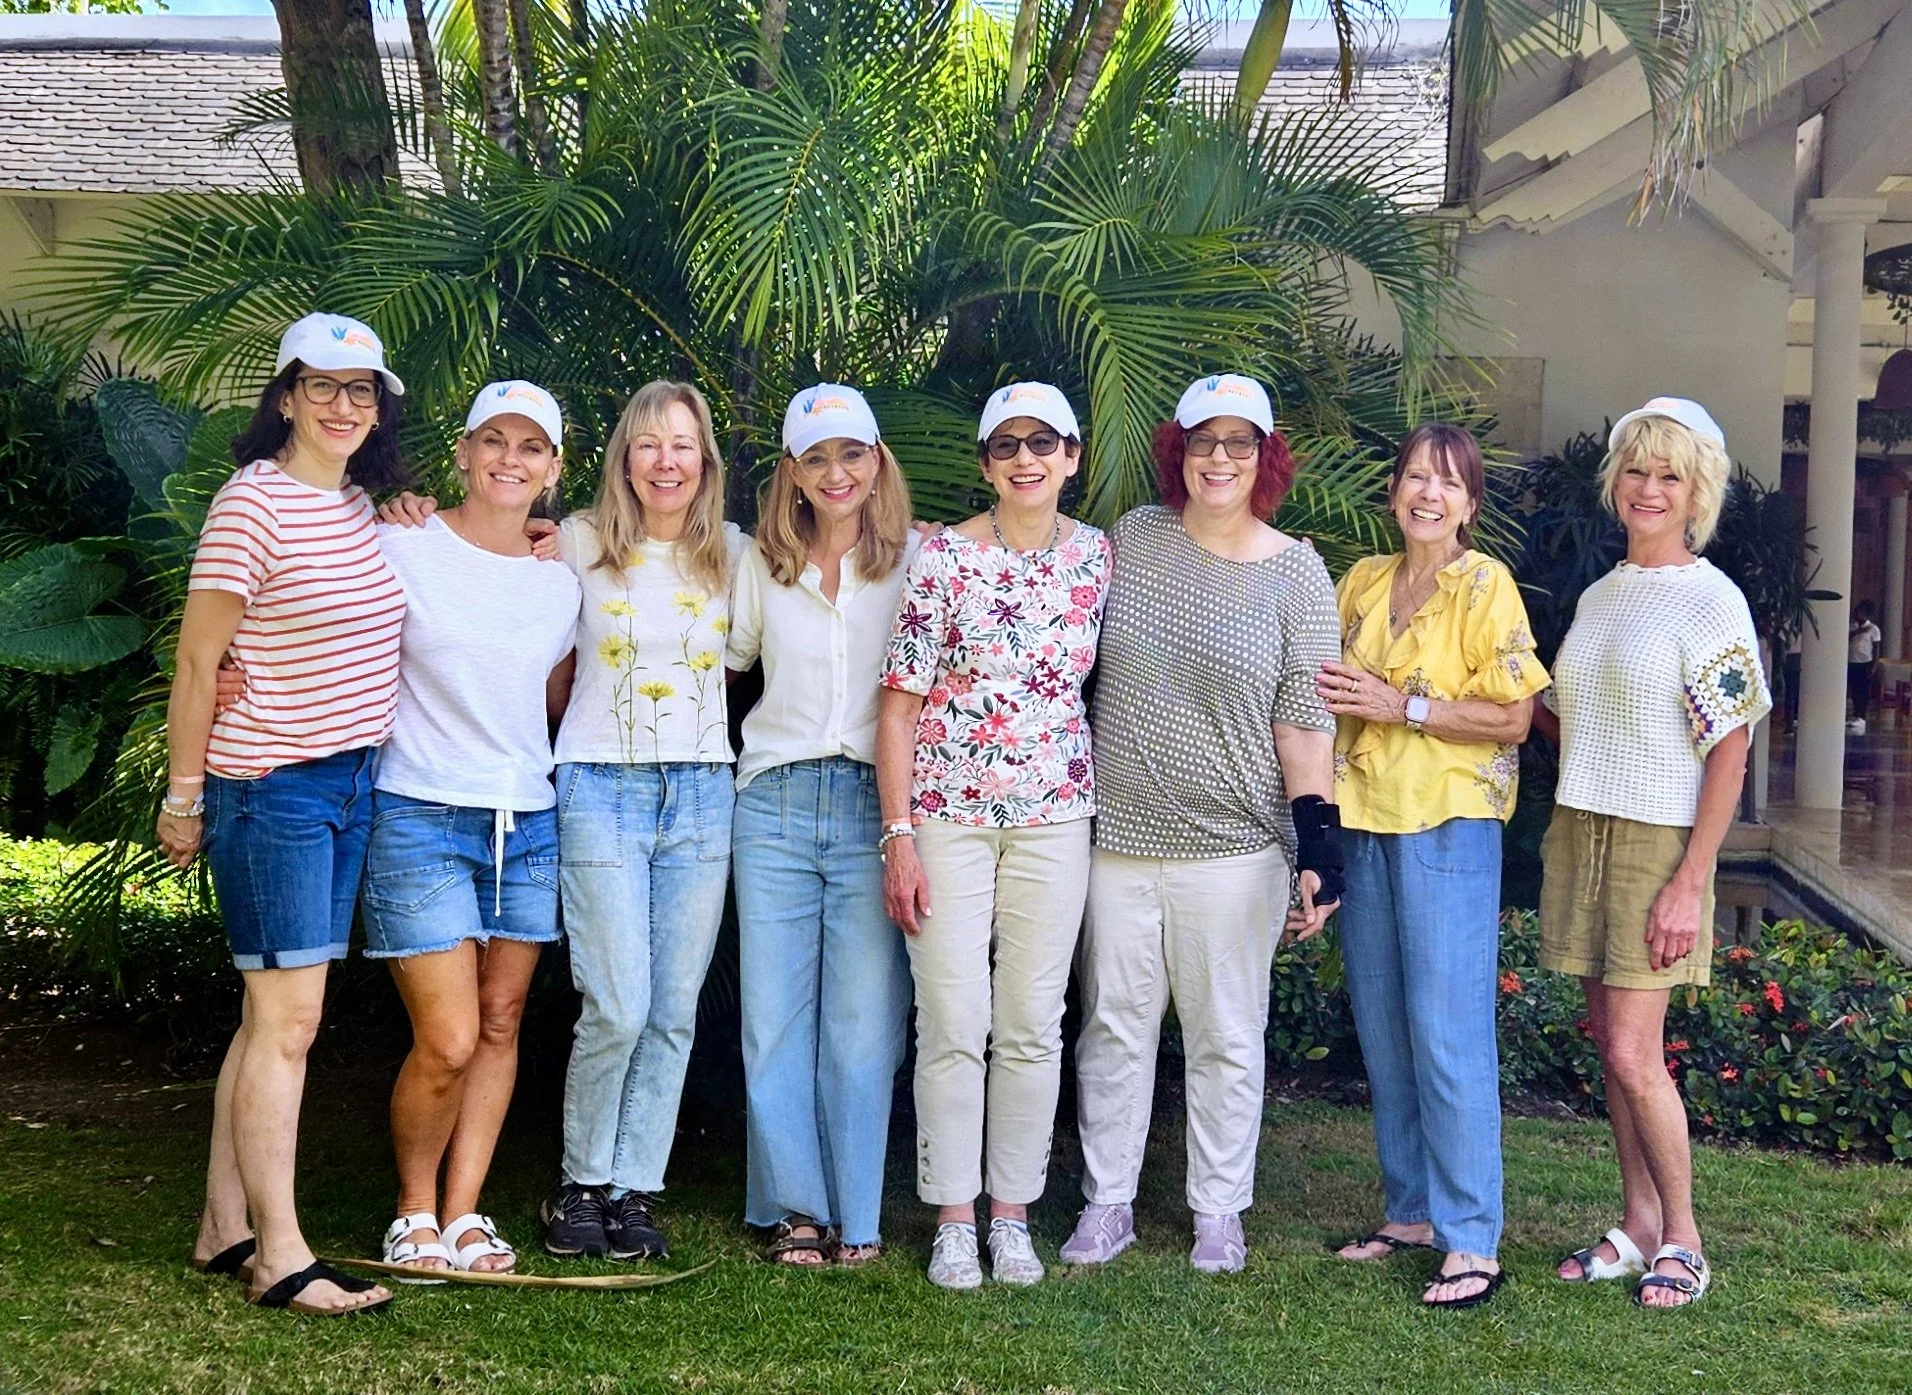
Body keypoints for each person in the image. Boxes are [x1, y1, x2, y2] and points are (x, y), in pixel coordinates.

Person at [1061, 373, 1344, 1277]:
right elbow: (1044, 593)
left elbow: (1304, 720)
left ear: (1265, 458)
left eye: (1240, 442)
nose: (1220, 458)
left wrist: (1319, 852)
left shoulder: (1297, 570)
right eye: (1204, 439)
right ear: (1177, 448)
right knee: (1114, 1027)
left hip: (1236, 848)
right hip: (1118, 842)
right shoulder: (1132, 540)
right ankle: (1108, 1203)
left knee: (1226, 1034)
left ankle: (1219, 1209)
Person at [163, 312, 408, 1316]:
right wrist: (182, 797)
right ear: (285, 398)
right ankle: (282, 1256)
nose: (344, 406)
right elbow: (196, 660)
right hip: (271, 786)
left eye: (363, 391)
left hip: (348, 782)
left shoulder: (357, 506)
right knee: (290, 1021)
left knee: (267, 1012)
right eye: (324, 387)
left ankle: (225, 1225)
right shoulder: (249, 506)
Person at [876, 381, 1113, 1290]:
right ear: (985, 462)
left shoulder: (1097, 558)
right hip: (946, 817)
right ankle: (951, 1216)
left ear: (1072, 456)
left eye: (1043, 443)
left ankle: (1011, 1213)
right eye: (1007, 444)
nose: (1026, 459)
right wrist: (898, 834)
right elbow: (896, 709)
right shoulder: (940, 560)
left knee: (1030, 1024)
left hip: (1057, 816)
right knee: (952, 1019)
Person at [1537, 397, 1769, 1310]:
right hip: (1583, 824)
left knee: (1637, 1053)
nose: (1648, 487)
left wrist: (1690, 879)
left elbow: (1731, 748)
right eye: (1636, 468)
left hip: (1656, 840)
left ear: (1696, 491)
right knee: (1611, 1046)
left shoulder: (1713, 601)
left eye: (1669, 474)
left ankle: (1684, 1237)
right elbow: (1571, 720)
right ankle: (1635, 1223)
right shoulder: (1601, 594)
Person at [1319, 423, 1548, 1309]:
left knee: (1448, 1033)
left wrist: (1401, 704)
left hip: (1448, 824)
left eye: (1449, 483)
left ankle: (1472, 1237)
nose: (1429, 494)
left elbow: (1514, 718)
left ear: (1471, 503)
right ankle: (1410, 1209)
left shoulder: (1484, 585)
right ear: (1394, 491)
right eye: (1417, 476)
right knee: (1384, 1028)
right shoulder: (1363, 582)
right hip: (1365, 820)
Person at [355, 382, 579, 1276]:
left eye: (531, 447)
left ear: (554, 470)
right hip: (418, 810)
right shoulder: (400, 542)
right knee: (445, 1035)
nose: (510, 460)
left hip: (527, 818)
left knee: (500, 1018)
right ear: (464, 450)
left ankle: (464, 1212)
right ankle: (411, 1209)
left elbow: (553, 702)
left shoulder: (558, 581)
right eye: (495, 440)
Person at [542, 380, 746, 1261]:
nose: (667, 461)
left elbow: (821, 585)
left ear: (705, 460)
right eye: (649, 444)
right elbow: (538, 653)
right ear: (624, 457)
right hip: (599, 787)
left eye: (684, 444)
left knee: (671, 1009)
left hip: (702, 791)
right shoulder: (575, 543)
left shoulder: (735, 553)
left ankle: (633, 1190)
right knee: (616, 1001)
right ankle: (578, 1182)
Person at [726, 385, 916, 1267]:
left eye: (851, 453)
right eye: (815, 457)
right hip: (770, 801)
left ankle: (860, 1216)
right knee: (773, 1016)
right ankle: (796, 1208)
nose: (835, 472)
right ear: (793, 473)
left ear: (876, 460)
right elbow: (706, 650)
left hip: (872, 807)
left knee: (863, 1020)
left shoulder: (920, 563)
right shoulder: (759, 566)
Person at [1849, 600, 1882, 726]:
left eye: (1861, 612)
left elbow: (1876, 648)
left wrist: (1874, 666)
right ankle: (1854, 715)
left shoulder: (1874, 629)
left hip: (1865, 662)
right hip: (1852, 661)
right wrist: (1858, 631)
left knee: (1862, 691)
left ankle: (1861, 716)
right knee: (1853, 689)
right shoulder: (1852, 626)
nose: (1858, 614)